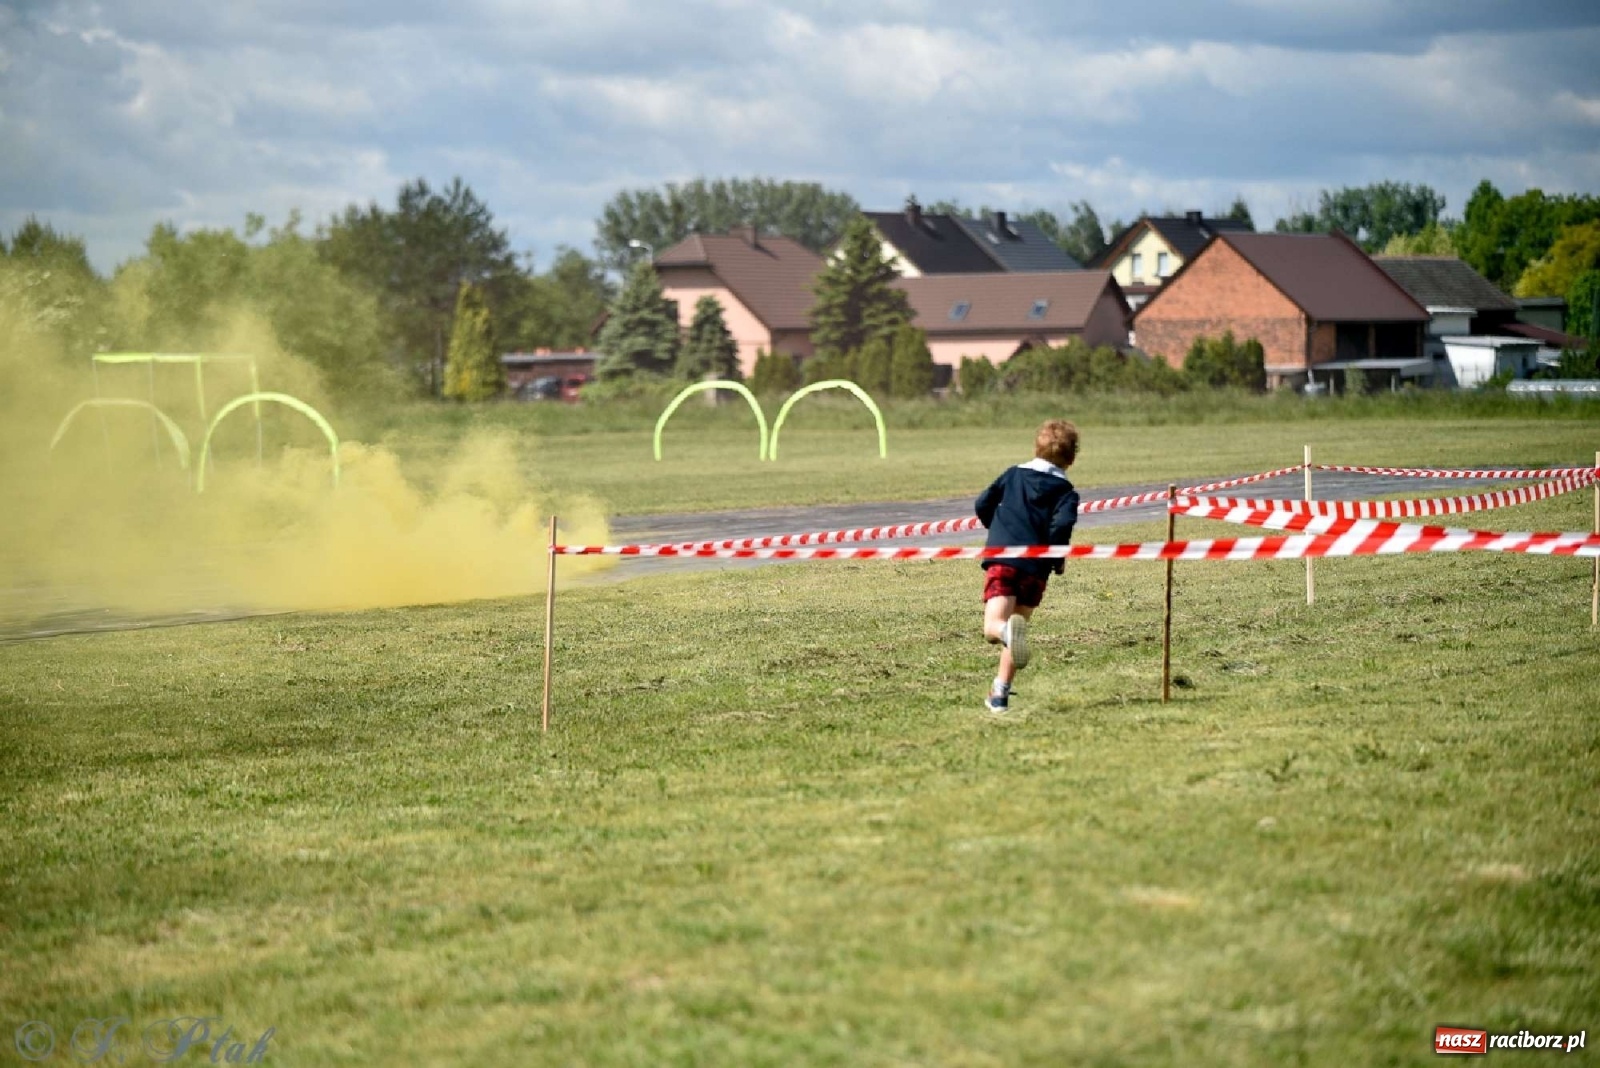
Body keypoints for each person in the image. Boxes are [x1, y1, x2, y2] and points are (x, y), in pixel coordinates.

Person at [974, 420, 1080, 711]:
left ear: (1036, 446)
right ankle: (999, 694)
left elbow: (982, 504)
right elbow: (1064, 524)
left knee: (994, 627)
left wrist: (996, 530)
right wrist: (1056, 558)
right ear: (1071, 458)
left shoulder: (1013, 475)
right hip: (1036, 568)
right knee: (1017, 624)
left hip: (1003, 561)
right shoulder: (1065, 491)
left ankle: (1006, 634)